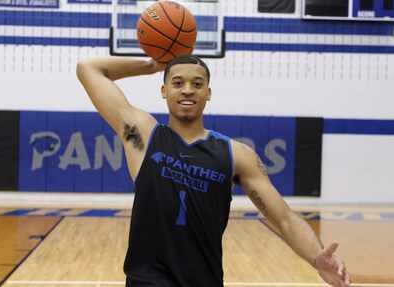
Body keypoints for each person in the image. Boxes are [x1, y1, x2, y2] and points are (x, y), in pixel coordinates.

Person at [76, 55, 351, 287]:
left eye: (197, 84)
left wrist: (317, 258)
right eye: (177, 83)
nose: (187, 90)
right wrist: (153, 63)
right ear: (163, 91)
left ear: (208, 92)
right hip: (147, 280)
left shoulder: (235, 155)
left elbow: (284, 219)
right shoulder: (143, 135)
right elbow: (88, 68)